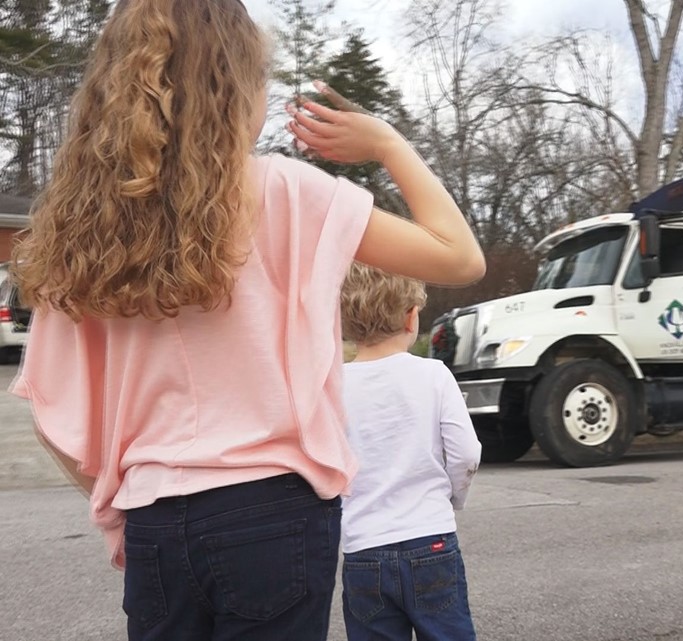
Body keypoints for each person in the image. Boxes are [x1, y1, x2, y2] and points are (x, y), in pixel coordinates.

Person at [8, 1, 484, 640]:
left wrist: (124, 502)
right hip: (275, 511)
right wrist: (386, 143)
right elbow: (459, 257)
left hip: (153, 519)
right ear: (234, 90)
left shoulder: (86, 230)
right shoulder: (284, 191)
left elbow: (53, 418)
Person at [338, 264, 482, 641]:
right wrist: (454, 497)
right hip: (430, 537)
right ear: (410, 316)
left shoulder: (333, 386)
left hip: (363, 549)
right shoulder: (434, 375)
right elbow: (466, 453)